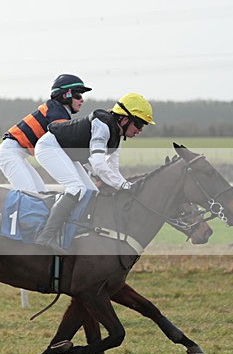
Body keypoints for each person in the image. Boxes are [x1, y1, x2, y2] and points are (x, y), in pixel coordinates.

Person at [33, 93, 155, 254]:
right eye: (139, 124)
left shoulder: (117, 137)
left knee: (92, 192)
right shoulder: (102, 126)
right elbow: (98, 164)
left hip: (67, 153)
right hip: (49, 147)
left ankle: (77, 234)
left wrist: (126, 186)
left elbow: (113, 170)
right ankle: (46, 236)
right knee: (77, 188)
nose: (140, 130)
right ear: (125, 119)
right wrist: (124, 186)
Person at [0, 74, 92, 193]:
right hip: (9, 153)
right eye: (78, 95)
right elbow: (67, 145)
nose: (82, 100)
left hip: (15, 152)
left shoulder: (59, 111)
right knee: (30, 195)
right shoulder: (57, 112)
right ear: (66, 95)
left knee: (42, 194)